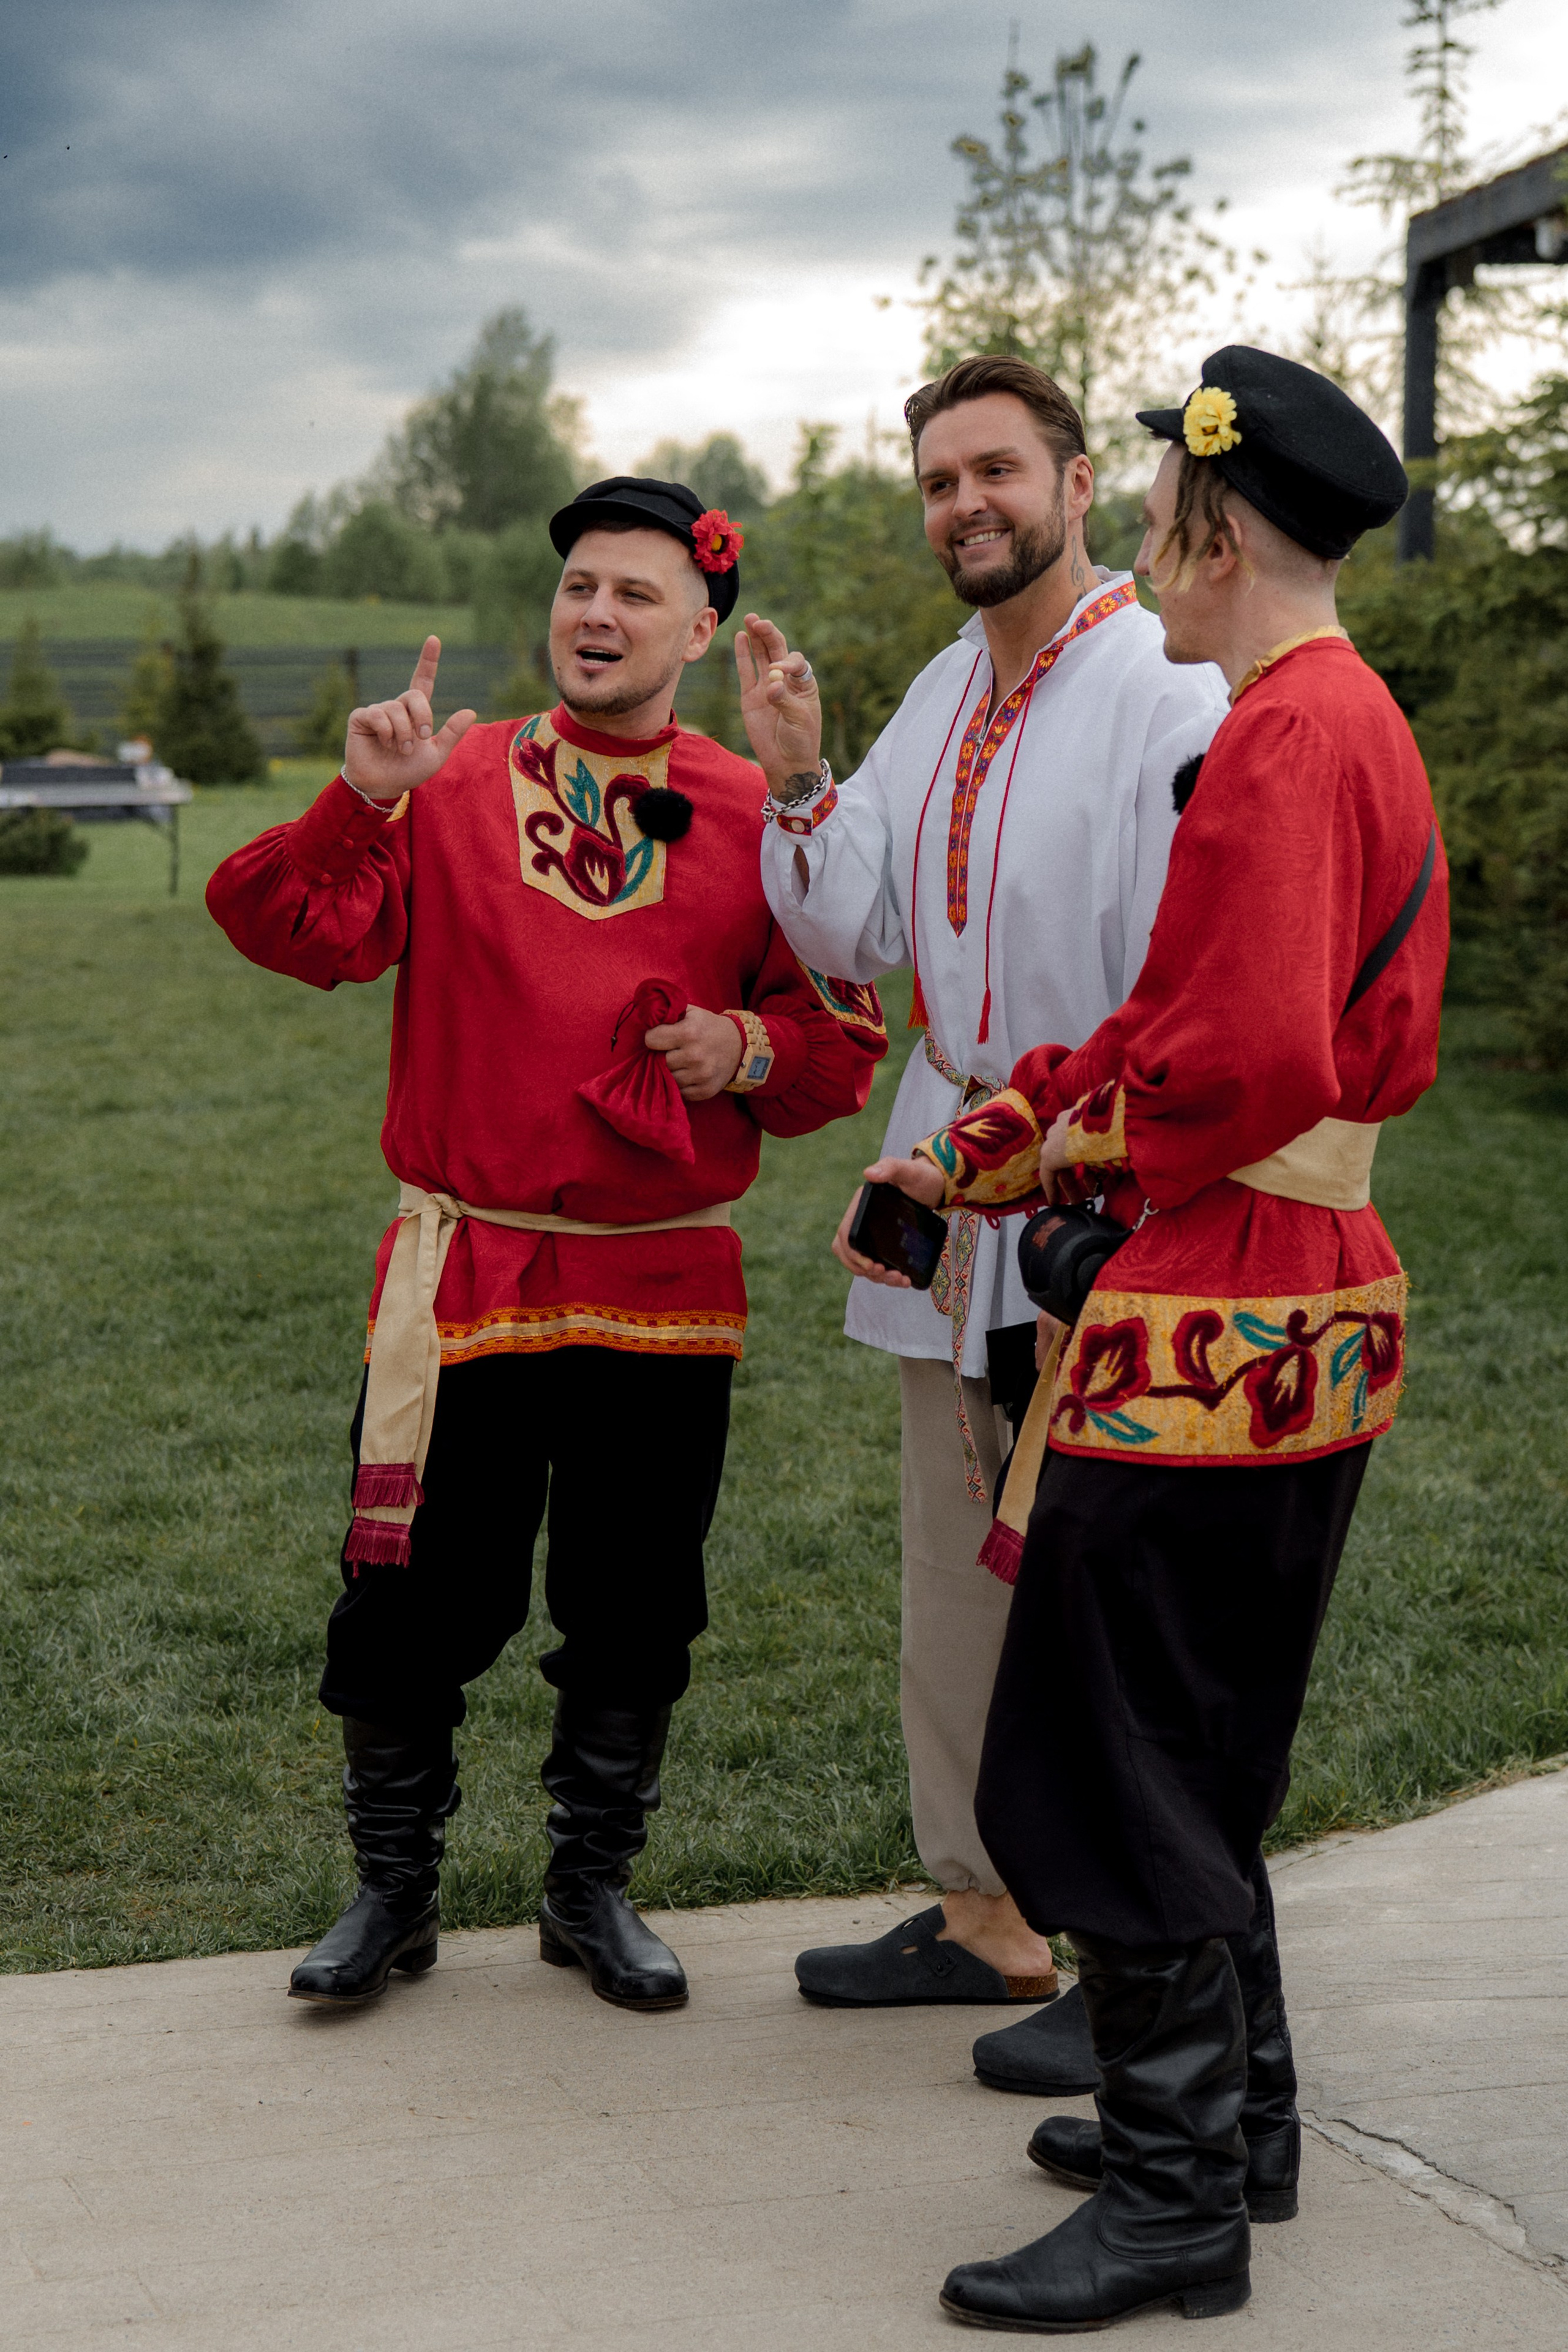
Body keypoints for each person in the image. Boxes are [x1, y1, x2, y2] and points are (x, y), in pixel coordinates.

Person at [868, 346, 1448, 2330]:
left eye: (1171, 517)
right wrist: (1024, 1118)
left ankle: (1181, 2201)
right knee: (1193, 1738)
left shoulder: (1289, 732)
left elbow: (1244, 1050)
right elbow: (1199, 1013)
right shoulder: (1333, 715)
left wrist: (1063, 1149)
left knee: (1110, 1747)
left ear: (1211, 522)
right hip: (1308, 1294)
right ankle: (1239, 2128)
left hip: (1218, 1310)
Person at [206, 477, 886, 2016]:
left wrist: (744, 1050)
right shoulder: (446, 785)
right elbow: (279, 929)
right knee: (410, 1593)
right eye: (580, 584)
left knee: (638, 1599)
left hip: (660, 1283)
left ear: (699, 631)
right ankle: (393, 1892)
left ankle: (589, 1890)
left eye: (636, 594)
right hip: (471, 1273)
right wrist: (357, 796)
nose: (597, 613)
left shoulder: (741, 806)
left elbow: (841, 1034)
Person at [740, 355, 1226, 2015]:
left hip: (1103, 1193)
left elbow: (1199, 977)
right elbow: (857, 926)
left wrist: (1109, 1163)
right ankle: (982, 1913)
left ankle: (1133, 1955)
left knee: (1100, 1582)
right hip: (953, 1184)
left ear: (1079, 483)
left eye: (997, 472)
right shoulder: (952, 684)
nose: (967, 505)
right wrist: (802, 773)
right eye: (941, 482)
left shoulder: (1169, 686)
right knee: (953, 1568)